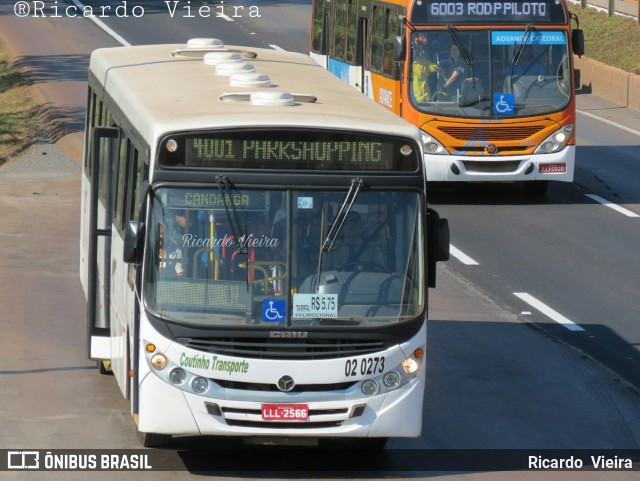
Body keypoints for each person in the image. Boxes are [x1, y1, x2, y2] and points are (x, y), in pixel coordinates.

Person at [411, 33, 440, 104]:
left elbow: (436, 68)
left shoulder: (423, 61)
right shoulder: (421, 62)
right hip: (420, 99)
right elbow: (437, 68)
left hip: (422, 97)